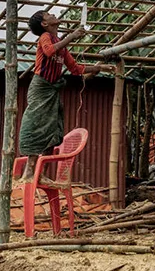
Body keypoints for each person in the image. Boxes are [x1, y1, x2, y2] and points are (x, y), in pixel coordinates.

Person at [17, 10, 112, 183]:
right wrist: (73, 36)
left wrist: (100, 69)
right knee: (36, 124)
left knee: (52, 128)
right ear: (45, 24)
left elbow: (75, 68)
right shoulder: (46, 37)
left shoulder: (60, 44)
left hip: (52, 90)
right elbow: (49, 51)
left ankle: (41, 174)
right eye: (48, 14)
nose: (53, 14)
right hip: (41, 87)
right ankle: (29, 173)